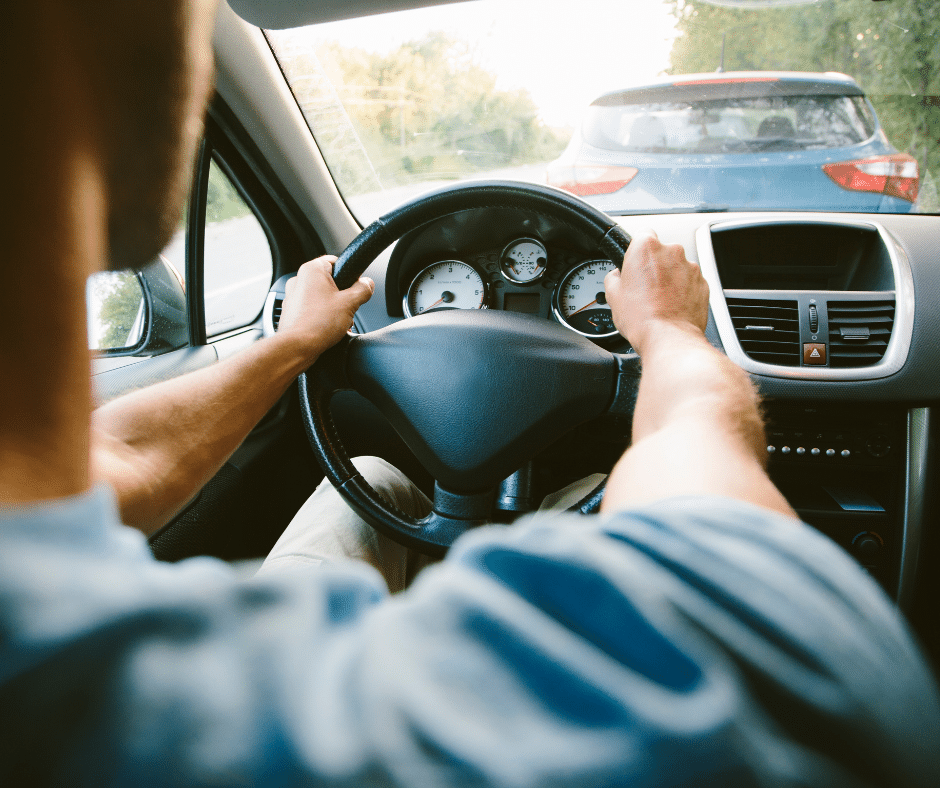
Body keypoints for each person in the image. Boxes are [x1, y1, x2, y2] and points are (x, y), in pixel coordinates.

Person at [1, 1, 938, 785]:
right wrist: (667, 337)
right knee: (560, 501)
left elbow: (121, 456)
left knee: (371, 479)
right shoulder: (702, 686)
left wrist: (293, 348)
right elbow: (715, 478)